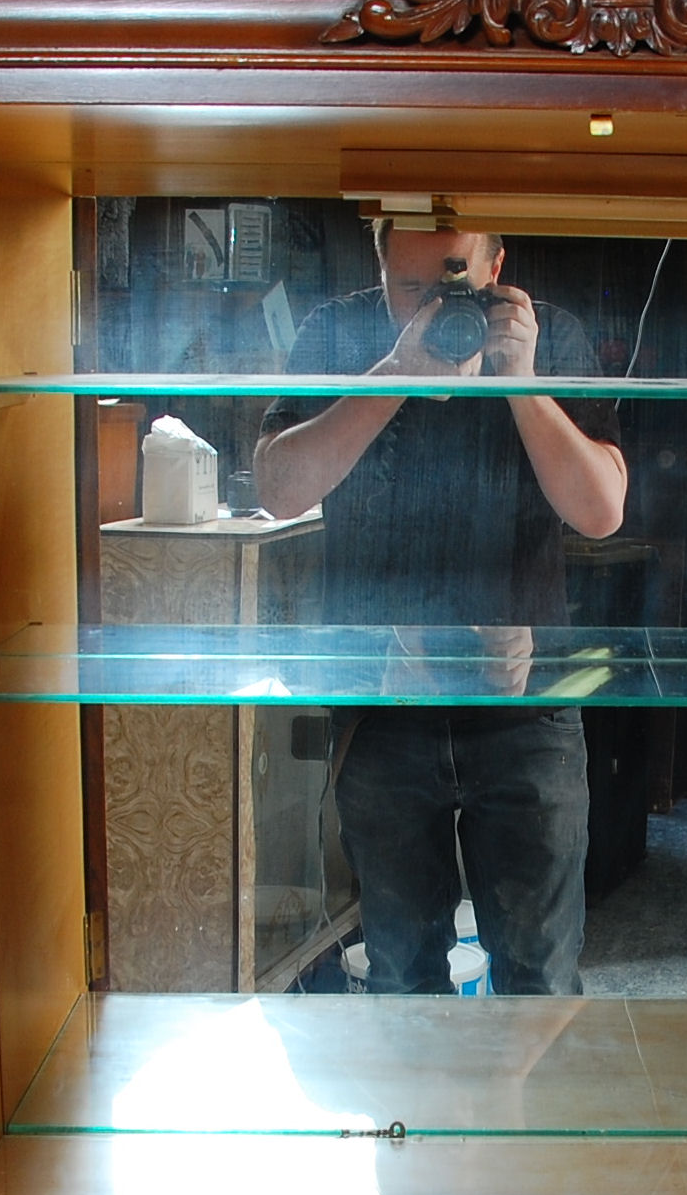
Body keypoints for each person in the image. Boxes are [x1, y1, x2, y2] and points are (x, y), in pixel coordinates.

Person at [255, 225, 628, 995]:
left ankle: (519, 1118)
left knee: (540, 970)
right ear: (379, 267)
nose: (431, 311)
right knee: (398, 968)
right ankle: (413, 1120)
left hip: (529, 704)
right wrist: (395, 370)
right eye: (409, 290)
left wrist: (520, 379)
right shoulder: (340, 330)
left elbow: (600, 512)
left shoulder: (546, 333)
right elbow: (279, 490)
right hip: (381, 704)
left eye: (453, 288)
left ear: (495, 269)